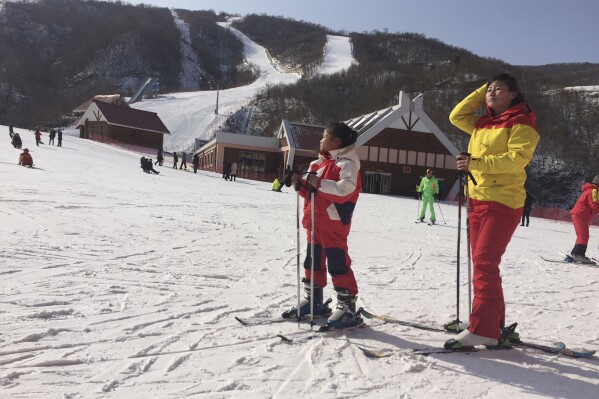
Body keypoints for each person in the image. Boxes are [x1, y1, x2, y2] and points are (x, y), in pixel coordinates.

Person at [446, 73, 540, 349]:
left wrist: (475, 163)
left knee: (485, 264)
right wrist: (482, 91)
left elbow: (517, 160)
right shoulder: (483, 123)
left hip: (503, 201)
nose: (492, 93)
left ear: (513, 94)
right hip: (478, 199)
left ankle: (484, 328)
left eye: (499, 89)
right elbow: (456, 116)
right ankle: (490, 323)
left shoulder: (521, 122)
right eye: (490, 90)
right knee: (484, 265)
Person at [283, 122, 362, 330]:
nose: (320, 140)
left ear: (336, 141)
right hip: (314, 221)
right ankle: (314, 300)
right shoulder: (317, 164)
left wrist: (318, 184)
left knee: (338, 262)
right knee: (313, 261)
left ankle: (347, 306)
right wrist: (299, 184)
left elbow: (346, 189)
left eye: (324, 136)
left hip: (333, 222)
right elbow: (311, 193)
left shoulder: (347, 164)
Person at [569, 176, 599, 264]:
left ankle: (576, 254)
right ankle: (578, 254)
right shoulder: (593, 191)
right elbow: (593, 204)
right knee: (583, 236)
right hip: (580, 215)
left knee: (582, 235)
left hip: (581, 215)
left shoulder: (592, 190)